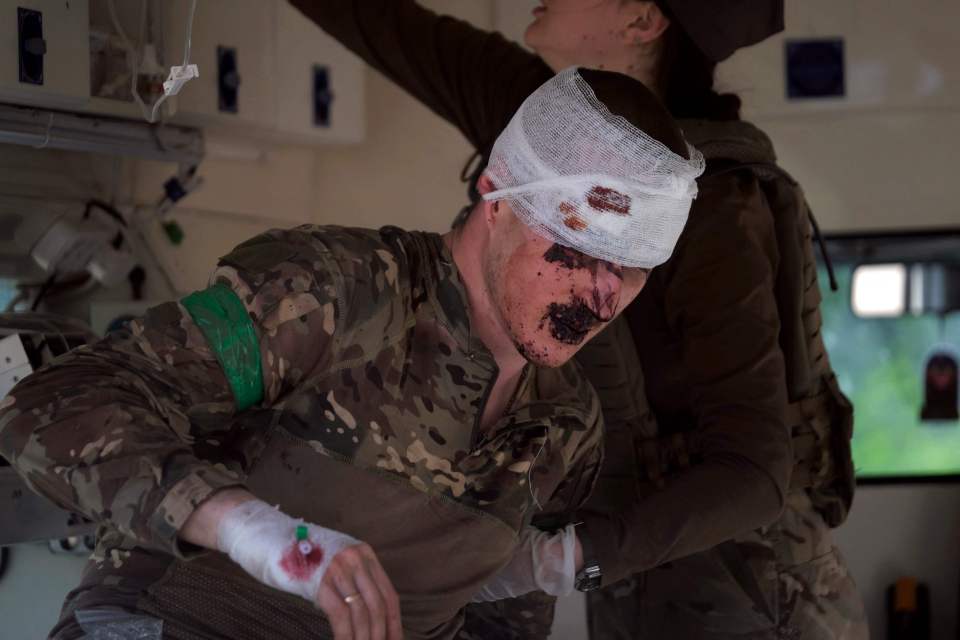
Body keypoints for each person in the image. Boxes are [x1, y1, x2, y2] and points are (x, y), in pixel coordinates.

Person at [0, 68, 705, 640]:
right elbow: (51, 406)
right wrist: (243, 525)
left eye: (633, 266)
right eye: (577, 251)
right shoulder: (328, 296)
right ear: (496, 199)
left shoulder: (566, 424)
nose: (603, 295)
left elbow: (504, 619)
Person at [288, 1, 869, 638]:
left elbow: (756, 471)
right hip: (628, 577)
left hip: (751, 588)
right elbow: (383, 22)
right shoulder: (541, 115)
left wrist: (564, 560)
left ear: (641, 19)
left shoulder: (716, 208)